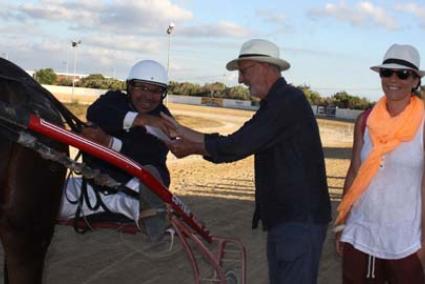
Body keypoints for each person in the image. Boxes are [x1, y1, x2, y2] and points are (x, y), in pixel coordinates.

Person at [162, 39, 332, 283]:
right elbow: (235, 142)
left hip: (298, 223)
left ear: (265, 67)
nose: (240, 79)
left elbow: (236, 146)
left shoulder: (286, 102)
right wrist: (181, 130)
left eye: (244, 71)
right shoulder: (278, 103)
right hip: (289, 221)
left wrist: (191, 148)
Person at [335, 44, 425, 283]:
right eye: (387, 72)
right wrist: (343, 222)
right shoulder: (365, 120)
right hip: (361, 231)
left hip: (405, 238)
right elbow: (355, 171)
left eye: (403, 74)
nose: (393, 79)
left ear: (415, 81)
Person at [59, 59, 172, 240]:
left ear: (163, 94)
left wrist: (109, 142)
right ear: (129, 87)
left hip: (133, 188)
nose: (148, 96)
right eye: (141, 88)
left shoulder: (164, 120)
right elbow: (97, 113)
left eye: (156, 91)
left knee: (148, 182)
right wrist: (140, 119)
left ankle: (151, 213)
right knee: (41, 197)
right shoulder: (112, 100)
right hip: (92, 189)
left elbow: (149, 154)